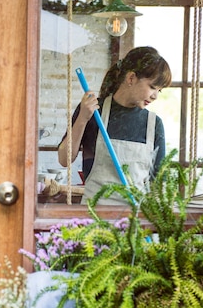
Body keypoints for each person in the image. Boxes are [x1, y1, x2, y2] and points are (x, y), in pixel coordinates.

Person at [58, 46, 172, 205]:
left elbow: (159, 184)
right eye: (152, 87)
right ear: (131, 78)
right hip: (93, 218)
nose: (155, 96)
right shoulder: (93, 111)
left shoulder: (154, 124)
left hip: (134, 221)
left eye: (160, 91)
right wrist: (83, 118)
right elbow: (64, 159)